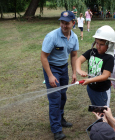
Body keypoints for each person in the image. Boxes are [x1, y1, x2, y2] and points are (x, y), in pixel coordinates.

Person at [41, 11, 79, 140]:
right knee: (55, 98)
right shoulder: (52, 36)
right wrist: (50, 76)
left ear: (73, 23)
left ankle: (60, 118)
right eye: (62, 22)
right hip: (52, 68)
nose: (64, 25)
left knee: (62, 96)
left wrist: (74, 73)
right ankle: (56, 129)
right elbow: (43, 57)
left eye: (67, 23)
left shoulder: (74, 37)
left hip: (64, 68)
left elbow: (74, 55)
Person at [76, 25, 115, 107]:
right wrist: (79, 70)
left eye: (102, 44)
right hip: (91, 88)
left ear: (110, 45)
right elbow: (79, 60)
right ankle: (100, 119)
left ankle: (103, 120)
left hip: (101, 91)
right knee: (96, 108)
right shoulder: (92, 52)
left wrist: (89, 80)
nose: (98, 46)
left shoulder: (109, 58)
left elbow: (105, 76)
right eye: (97, 43)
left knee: (103, 112)